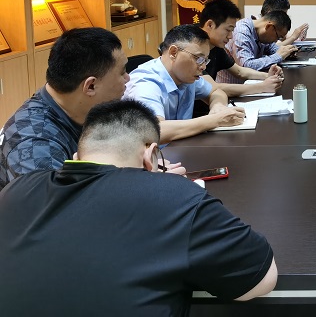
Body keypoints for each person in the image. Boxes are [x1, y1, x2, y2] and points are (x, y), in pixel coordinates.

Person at [0, 99, 277, 315]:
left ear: (77, 156)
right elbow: (260, 279)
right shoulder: (175, 196)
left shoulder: (16, 190)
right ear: (151, 155)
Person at [0, 27, 129, 190]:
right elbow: (56, 203)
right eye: (122, 72)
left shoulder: (84, 107)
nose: (127, 78)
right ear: (90, 86)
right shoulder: (34, 143)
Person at [125, 24, 245, 142]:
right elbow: (155, 130)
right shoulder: (145, 83)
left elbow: (216, 91)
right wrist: (215, 120)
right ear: (173, 52)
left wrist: (217, 106)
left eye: (205, 60)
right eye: (198, 58)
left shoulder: (185, 76)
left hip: (182, 147)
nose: (203, 67)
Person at [194, 0, 283, 116]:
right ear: (210, 24)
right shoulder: (193, 47)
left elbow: (239, 71)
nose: (230, 36)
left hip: (210, 109)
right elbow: (212, 87)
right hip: (195, 114)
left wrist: (267, 76)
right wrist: (261, 87)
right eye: (228, 30)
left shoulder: (215, 46)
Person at [217, 6, 296, 85]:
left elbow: (272, 48)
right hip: (233, 87)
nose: (276, 40)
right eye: (278, 37)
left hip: (250, 83)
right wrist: (278, 56)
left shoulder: (261, 31)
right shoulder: (241, 32)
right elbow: (246, 66)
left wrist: (287, 52)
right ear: (269, 27)